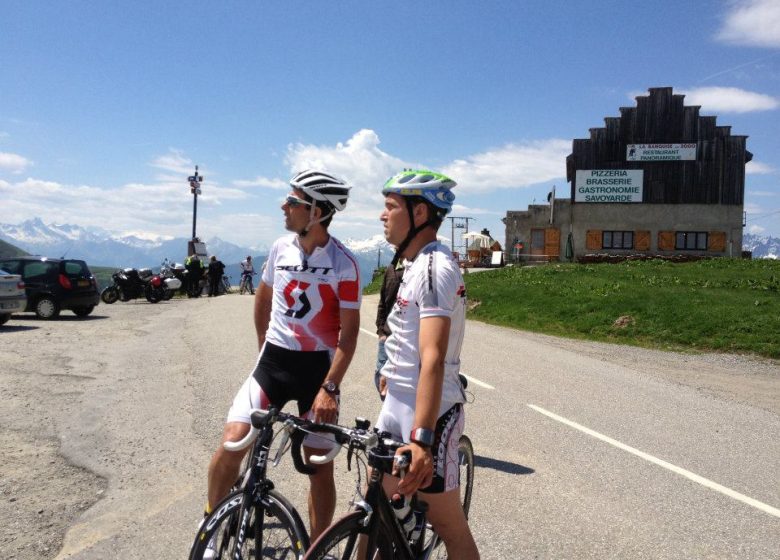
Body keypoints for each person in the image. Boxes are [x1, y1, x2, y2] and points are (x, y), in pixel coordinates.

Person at [204, 169, 361, 550]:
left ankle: (318, 547)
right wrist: (263, 345)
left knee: (318, 463)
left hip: (316, 373)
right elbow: (263, 297)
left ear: (318, 212)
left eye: (293, 201)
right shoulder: (279, 248)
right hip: (273, 363)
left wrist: (330, 388)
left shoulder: (344, 263)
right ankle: (211, 522)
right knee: (233, 442)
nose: (283, 206)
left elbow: (350, 334)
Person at [377, 169, 479, 559]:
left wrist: (422, 439)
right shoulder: (413, 262)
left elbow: (432, 357)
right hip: (397, 405)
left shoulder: (436, 268)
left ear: (419, 214)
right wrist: (389, 374)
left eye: (390, 207)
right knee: (373, 508)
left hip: (430, 416)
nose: (382, 216)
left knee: (449, 526)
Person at [374, 262, 402, 399]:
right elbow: (382, 303)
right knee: (380, 380)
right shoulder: (391, 268)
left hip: (402, 340)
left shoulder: (416, 267)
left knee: (395, 389)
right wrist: (380, 331)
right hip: (386, 337)